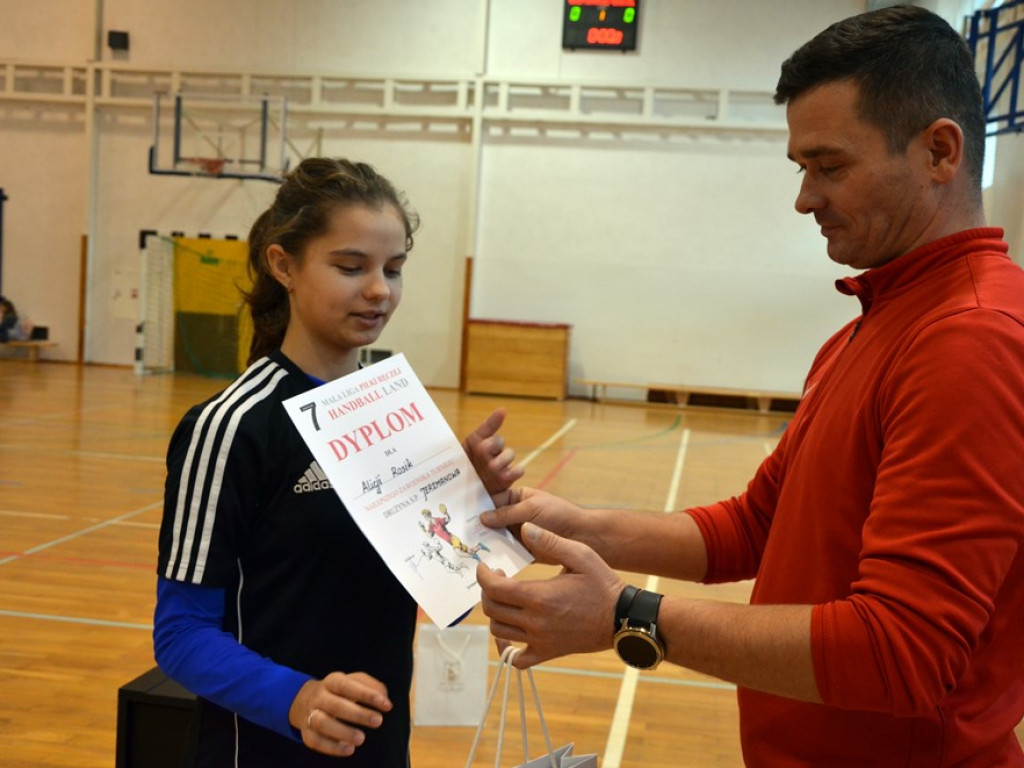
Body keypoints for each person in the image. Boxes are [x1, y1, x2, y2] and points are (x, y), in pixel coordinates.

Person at [476, 6, 1024, 767]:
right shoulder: (874, 322)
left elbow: (903, 651)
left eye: (829, 166)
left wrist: (625, 616)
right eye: (801, 169)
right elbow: (755, 528)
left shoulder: (971, 339)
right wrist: (577, 527)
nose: (805, 199)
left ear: (940, 151)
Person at [154, 157, 522, 767]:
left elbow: (428, 569)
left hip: (379, 744)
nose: (379, 289)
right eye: (351, 267)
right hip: (268, 747)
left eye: (394, 268)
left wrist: (474, 506)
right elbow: (181, 635)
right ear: (284, 266)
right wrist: (297, 699)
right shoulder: (231, 427)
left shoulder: (396, 405)